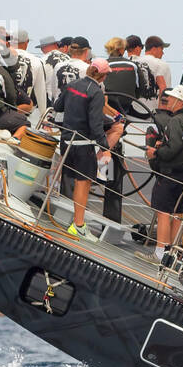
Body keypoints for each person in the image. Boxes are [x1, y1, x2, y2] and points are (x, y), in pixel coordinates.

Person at [52, 58, 114, 238]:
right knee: (84, 182)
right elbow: (95, 126)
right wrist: (105, 148)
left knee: (75, 180)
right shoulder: (96, 92)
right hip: (82, 144)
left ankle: (77, 222)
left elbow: (58, 106)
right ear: (102, 76)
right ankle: (78, 225)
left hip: (66, 142)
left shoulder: (72, 84)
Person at [145, 85, 183, 264]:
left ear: (179, 102)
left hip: (170, 174)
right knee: (177, 213)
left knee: (163, 213)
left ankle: (160, 253)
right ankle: (174, 253)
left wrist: (156, 152)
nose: (167, 101)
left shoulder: (176, 121)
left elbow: (173, 149)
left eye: (170, 98)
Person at [135, 35, 172, 117]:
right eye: (161, 49)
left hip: (133, 111)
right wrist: (162, 113)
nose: (163, 53)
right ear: (154, 49)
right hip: (153, 113)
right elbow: (164, 90)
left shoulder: (134, 62)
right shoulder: (161, 64)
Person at [103, 36, 140, 115]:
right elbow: (139, 89)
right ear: (121, 49)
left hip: (107, 107)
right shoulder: (133, 65)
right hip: (126, 106)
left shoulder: (102, 65)